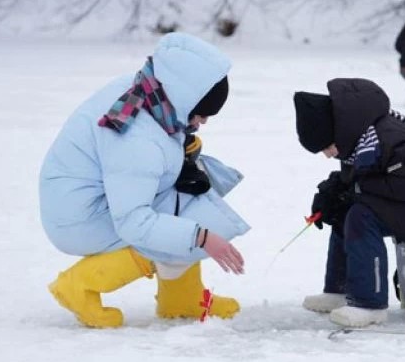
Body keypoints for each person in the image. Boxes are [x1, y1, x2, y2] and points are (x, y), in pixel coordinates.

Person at [39, 32, 250, 328]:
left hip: (98, 198)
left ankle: (181, 298)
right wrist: (201, 238)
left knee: (189, 207)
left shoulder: (151, 92)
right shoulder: (135, 139)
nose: (203, 123)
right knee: (174, 228)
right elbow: (134, 221)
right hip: (80, 218)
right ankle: (79, 286)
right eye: (201, 114)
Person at [292, 78, 405, 327]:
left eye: (327, 147)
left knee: (361, 217)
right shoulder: (357, 138)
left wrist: (357, 190)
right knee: (343, 212)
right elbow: (359, 177)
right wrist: (332, 193)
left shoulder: (387, 138)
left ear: (336, 131)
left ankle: (370, 304)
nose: (328, 154)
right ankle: (338, 289)